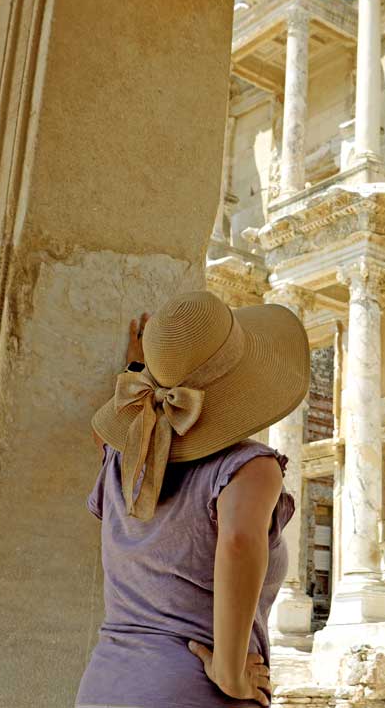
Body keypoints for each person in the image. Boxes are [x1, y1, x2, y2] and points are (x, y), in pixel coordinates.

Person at [76, 291, 310, 708]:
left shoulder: (122, 457)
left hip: (104, 684)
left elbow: (104, 433)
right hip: (192, 690)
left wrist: (138, 371)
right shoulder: (249, 467)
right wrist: (230, 671)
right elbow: (238, 543)